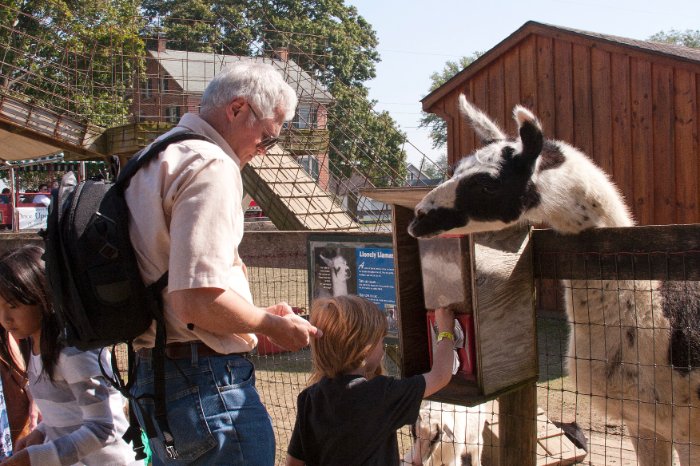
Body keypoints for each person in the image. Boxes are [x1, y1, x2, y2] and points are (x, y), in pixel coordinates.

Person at [124, 61, 321, 465]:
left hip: (154, 376)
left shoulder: (150, 157)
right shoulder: (211, 165)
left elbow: (173, 288)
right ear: (237, 110)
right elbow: (196, 302)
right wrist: (271, 326)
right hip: (205, 386)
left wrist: (252, 313)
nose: (263, 152)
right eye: (266, 137)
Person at [0, 245, 140, 466]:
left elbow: (103, 427)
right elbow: (69, 411)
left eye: (13, 306)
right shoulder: (36, 347)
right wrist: (41, 434)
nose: (5, 318)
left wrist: (34, 458)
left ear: (42, 296)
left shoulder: (71, 353)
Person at [285, 295, 456, 466]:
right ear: (364, 348)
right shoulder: (382, 395)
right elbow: (440, 376)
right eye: (381, 341)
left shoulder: (309, 399)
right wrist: (445, 330)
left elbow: (293, 462)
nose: (383, 347)